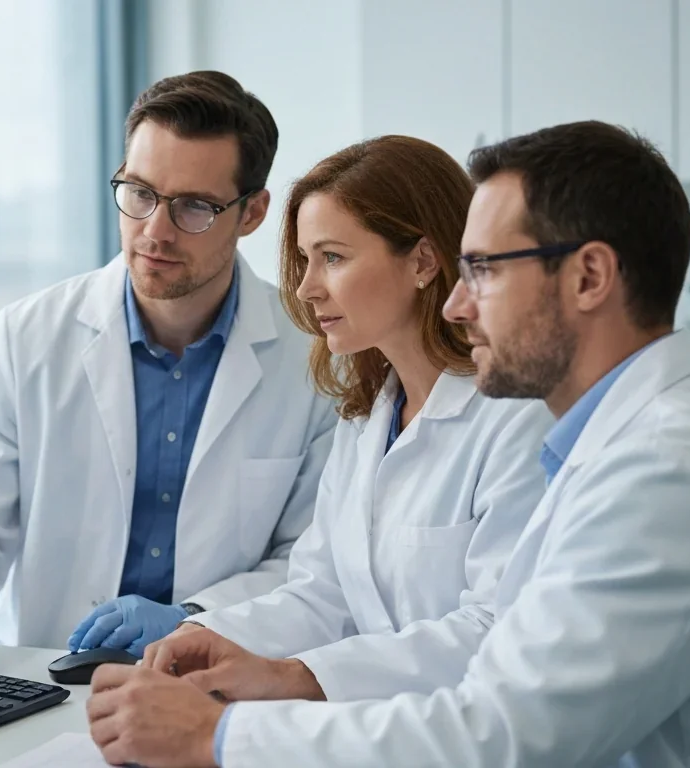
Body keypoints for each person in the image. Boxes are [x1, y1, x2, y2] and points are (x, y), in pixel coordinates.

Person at [85, 121, 690, 768]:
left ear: (590, 276)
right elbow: (353, 602)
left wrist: (220, 738)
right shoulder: (615, 444)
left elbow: (503, 732)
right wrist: (248, 658)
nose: (461, 304)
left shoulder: (664, 472)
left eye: (484, 271)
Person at [0, 71, 338, 678]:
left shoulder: (315, 359)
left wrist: (195, 618)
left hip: (217, 688)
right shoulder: (27, 338)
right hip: (48, 681)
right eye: (140, 193)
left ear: (252, 212)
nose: (154, 229)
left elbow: (312, 563)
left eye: (194, 208)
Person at [144, 135, 552, 706]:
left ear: (423, 261)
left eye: (332, 257)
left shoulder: (515, 418)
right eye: (306, 260)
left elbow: (497, 626)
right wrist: (203, 635)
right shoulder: (366, 420)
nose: (308, 289)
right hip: (380, 734)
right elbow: (323, 593)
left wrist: (298, 678)